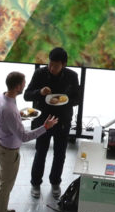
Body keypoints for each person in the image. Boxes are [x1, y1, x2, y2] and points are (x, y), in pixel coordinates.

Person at [0, 69, 57, 212]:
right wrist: (45, 127)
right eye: (23, 84)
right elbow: (24, 137)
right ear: (17, 87)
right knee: (5, 186)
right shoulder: (10, 111)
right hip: (8, 151)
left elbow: (4, 119)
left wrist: (18, 117)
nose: (25, 85)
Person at [27, 47, 82, 194]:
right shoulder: (40, 74)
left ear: (63, 64)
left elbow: (78, 98)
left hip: (62, 120)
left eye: (55, 66)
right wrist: (39, 92)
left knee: (60, 153)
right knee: (41, 152)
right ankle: (35, 183)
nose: (51, 68)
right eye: (50, 64)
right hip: (43, 120)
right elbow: (27, 95)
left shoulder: (72, 76)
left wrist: (66, 100)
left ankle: (55, 182)